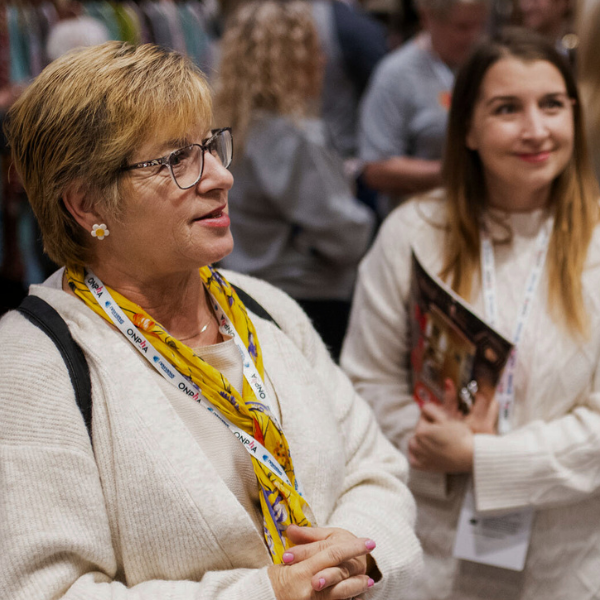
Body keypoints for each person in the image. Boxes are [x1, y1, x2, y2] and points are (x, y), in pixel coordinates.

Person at [0, 42, 422, 599]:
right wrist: (266, 592)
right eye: (173, 161)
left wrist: (358, 559)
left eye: (209, 146)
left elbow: (375, 469)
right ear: (87, 205)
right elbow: (46, 590)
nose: (219, 176)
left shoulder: (266, 310)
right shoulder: (32, 364)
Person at [342, 28, 600, 599]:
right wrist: (435, 444)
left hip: (569, 564)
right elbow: (365, 382)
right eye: (507, 109)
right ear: (469, 129)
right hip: (432, 554)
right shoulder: (413, 233)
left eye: (552, 105)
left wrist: (486, 456)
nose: (536, 129)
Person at [215, 1, 376, 362]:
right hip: (306, 297)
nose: (322, 61)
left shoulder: (227, 127)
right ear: (288, 60)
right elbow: (344, 234)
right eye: (312, 51)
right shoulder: (292, 136)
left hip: (241, 288)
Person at [357, 0, 489, 215]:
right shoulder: (395, 75)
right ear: (427, 18)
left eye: (480, 26)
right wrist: (458, 172)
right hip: (419, 217)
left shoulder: (485, 65)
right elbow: (375, 169)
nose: (474, 37)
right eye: (462, 27)